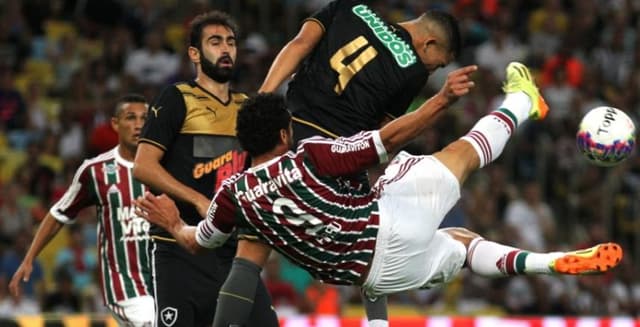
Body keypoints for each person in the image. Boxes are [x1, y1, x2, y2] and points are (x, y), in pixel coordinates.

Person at [136, 62, 624, 327]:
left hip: (375, 275)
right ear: (285, 135)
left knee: (459, 238)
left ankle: (548, 260)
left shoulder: (233, 195)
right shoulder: (308, 156)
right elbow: (384, 141)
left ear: (247, 145)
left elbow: (201, 242)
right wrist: (441, 99)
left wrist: (170, 221)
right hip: (385, 231)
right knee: (459, 156)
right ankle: (523, 100)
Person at [132, 11, 277, 327]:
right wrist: (198, 201)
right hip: (179, 250)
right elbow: (143, 166)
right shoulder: (177, 98)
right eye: (215, 42)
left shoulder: (247, 107)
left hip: (232, 252)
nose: (226, 49)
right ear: (194, 54)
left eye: (230, 42)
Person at [9, 94, 155, 326]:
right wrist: (29, 258)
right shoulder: (96, 171)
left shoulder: (167, 167)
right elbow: (58, 214)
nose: (138, 124)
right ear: (115, 124)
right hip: (124, 285)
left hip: (164, 280)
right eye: (130, 117)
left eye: (144, 118)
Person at [259, 0, 462, 141]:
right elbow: (383, 136)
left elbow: (299, 45)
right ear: (429, 43)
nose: (432, 72)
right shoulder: (415, 72)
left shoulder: (349, 6)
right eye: (438, 65)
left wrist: (262, 98)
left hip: (288, 124)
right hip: (334, 152)